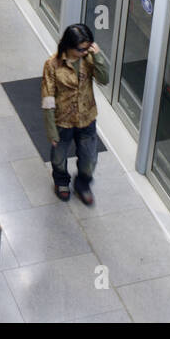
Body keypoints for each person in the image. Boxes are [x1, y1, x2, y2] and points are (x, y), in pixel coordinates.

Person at [41, 24, 108, 206]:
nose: (84, 52)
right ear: (69, 46)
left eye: (87, 47)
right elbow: (48, 98)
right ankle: (61, 181)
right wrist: (51, 130)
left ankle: (83, 184)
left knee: (89, 158)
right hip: (63, 120)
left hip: (86, 117)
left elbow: (104, 79)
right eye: (80, 49)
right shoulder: (52, 65)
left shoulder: (89, 59)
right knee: (59, 157)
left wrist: (98, 56)